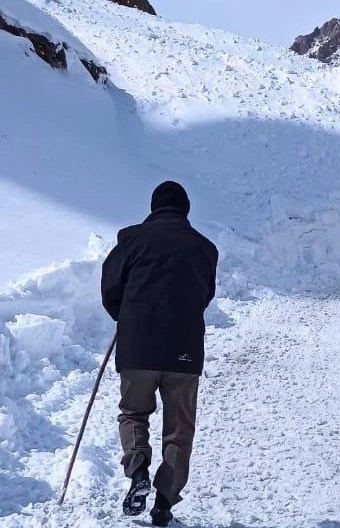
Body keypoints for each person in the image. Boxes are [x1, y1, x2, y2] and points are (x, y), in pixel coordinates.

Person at [101, 181, 218, 526]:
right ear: (186, 210)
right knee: (180, 427)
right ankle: (164, 501)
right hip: (184, 349)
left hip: (138, 346)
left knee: (133, 413)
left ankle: (138, 472)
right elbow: (205, 294)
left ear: (153, 208)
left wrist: (125, 315)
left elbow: (110, 288)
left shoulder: (131, 239)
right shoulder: (205, 248)